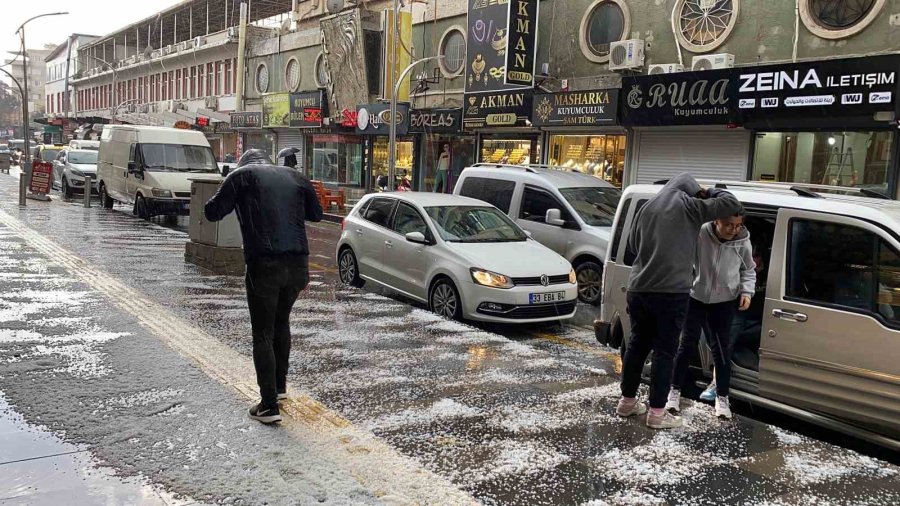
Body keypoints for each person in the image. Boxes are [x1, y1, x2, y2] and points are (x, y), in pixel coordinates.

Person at [204, 149, 323, 424]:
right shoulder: (296, 176)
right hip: (298, 265)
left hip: (264, 263)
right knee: (282, 322)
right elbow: (316, 214)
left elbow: (212, 212)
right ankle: (279, 388)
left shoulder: (240, 176)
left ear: (243, 163)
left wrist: (228, 184)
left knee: (263, 334)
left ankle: (268, 406)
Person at [616, 173, 743, 430]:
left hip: (639, 288)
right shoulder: (690, 205)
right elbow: (731, 204)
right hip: (670, 293)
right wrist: (710, 192)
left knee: (637, 346)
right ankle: (657, 413)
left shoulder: (646, 207)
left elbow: (632, 246)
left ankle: (627, 402)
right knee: (665, 352)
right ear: (692, 192)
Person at [666, 210, 756, 420]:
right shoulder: (700, 235)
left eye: (738, 225)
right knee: (687, 344)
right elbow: (683, 260)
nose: (733, 230)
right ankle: (673, 391)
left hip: (724, 301)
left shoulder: (742, 241)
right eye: (728, 225)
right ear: (716, 221)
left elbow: (749, 269)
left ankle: (722, 397)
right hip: (696, 297)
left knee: (721, 349)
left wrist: (746, 291)